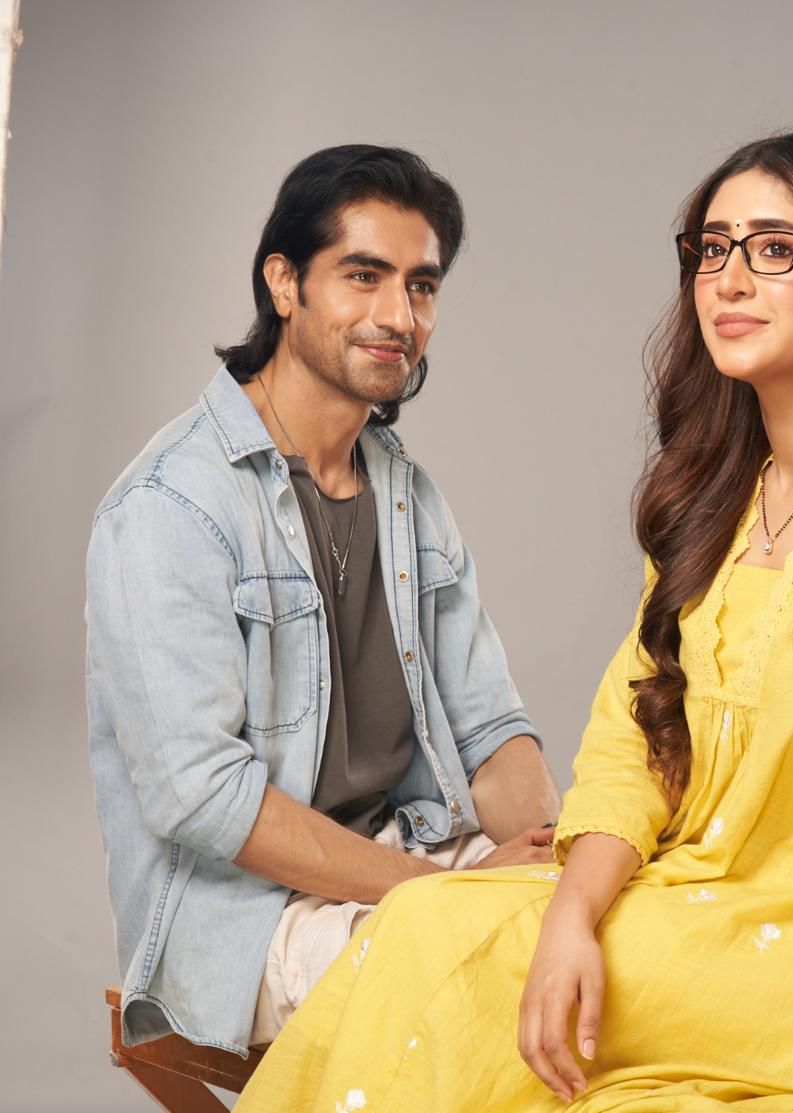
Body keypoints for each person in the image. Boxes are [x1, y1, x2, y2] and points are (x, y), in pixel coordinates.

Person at [234, 130, 793, 1112]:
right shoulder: (718, 500)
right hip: (687, 902)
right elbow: (636, 745)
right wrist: (572, 916)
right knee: (428, 921)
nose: (730, 280)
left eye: (774, 248)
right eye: (713, 249)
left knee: (458, 958)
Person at [85, 144, 561, 1057]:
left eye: (422, 286)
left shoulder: (408, 494)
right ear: (284, 283)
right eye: (363, 276)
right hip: (247, 918)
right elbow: (201, 797)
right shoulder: (171, 504)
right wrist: (443, 893)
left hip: (408, 854)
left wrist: (554, 854)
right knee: (483, 992)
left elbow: (490, 729)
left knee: (609, 933)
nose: (399, 316)